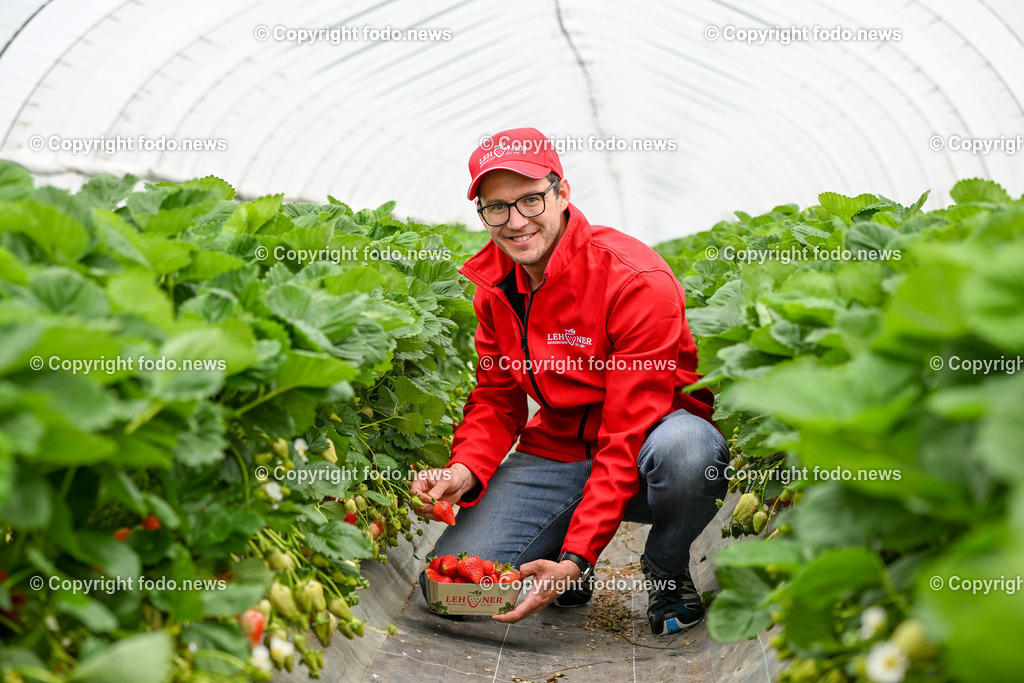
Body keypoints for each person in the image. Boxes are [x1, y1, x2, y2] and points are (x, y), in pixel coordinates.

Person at [411, 127, 728, 634]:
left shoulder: (634, 280)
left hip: (649, 451)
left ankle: (665, 567)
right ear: (482, 213)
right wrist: (463, 470)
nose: (516, 222)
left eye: (531, 199)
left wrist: (577, 556)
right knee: (450, 593)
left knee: (690, 453)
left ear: (562, 193)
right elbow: (497, 395)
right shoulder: (496, 286)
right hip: (558, 451)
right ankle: (561, 551)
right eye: (497, 207)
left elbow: (625, 433)